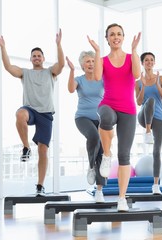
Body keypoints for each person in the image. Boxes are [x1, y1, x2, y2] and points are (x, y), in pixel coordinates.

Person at [0, 29, 65, 195]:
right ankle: (26, 147)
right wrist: (3, 47)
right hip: (30, 110)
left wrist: (58, 44)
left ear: (43, 58)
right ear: (31, 59)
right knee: (20, 114)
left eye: (39, 55)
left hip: (46, 114)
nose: (36, 58)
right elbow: (8, 67)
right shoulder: (25, 73)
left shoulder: (50, 72)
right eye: (34, 56)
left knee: (43, 150)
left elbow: (61, 65)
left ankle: (40, 186)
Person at [88, 23, 141, 211]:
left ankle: (121, 198)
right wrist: (96, 52)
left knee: (125, 155)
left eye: (119, 34)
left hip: (128, 109)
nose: (115, 37)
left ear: (123, 37)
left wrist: (134, 50)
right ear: (107, 38)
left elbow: (137, 74)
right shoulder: (102, 59)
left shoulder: (130, 57)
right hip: (108, 104)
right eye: (112, 34)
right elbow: (95, 77)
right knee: (106, 118)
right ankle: (107, 154)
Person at [66, 51, 105, 202]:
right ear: (82, 65)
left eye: (93, 61)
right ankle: (90, 167)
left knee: (101, 152)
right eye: (88, 62)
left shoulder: (101, 80)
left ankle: (100, 191)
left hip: (100, 119)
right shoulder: (79, 80)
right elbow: (70, 89)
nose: (91, 64)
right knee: (93, 136)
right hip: (82, 117)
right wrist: (71, 70)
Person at [135, 52, 162, 195]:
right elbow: (139, 102)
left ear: (154, 63)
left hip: (159, 117)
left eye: (151, 60)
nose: (149, 62)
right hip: (144, 117)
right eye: (146, 60)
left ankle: (156, 185)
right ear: (142, 63)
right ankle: (147, 132)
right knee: (150, 101)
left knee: (156, 152)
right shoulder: (137, 82)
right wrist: (142, 86)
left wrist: (157, 85)